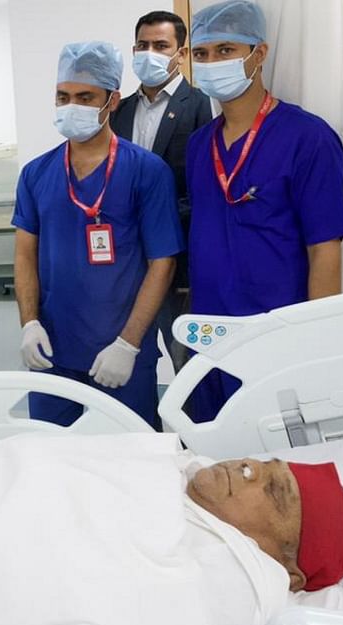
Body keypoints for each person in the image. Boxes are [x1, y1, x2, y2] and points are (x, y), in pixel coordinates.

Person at [185, 0, 343, 421]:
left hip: (279, 338)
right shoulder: (199, 145)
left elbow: (325, 249)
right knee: (214, 460)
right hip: (211, 337)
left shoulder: (308, 138)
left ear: (259, 54)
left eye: (225, 50)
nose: (211, 62)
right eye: (201, 54)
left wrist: (315, 342)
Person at [13, 42, 183, 428]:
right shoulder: (37, 174)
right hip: (51, 349)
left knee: (131, 463)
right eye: (63, 96)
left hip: (121, 350)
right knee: (50, 461)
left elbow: (163, 263)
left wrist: (129, 344)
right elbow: (24, 254)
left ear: (113, 101)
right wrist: (28, 323)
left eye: (86, 97)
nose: (72, 106)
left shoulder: (147, 171)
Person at [181, 454, 343, 625]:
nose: (248, 465)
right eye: (264, 464)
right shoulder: (175, 467)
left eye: (273, 490)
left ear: (290, 575)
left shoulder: (238, 588)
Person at [111, 10, 214, 370]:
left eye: (161, 45)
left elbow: (206, 190)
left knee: (186, 359)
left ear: (181, 54)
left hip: (177, 256)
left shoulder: (202, 106)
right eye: (143, 45)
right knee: (128, 356)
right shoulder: (119, 111)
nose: (149, 52)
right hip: (126, 258)